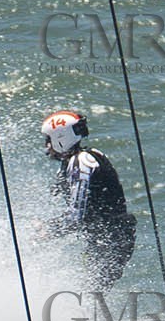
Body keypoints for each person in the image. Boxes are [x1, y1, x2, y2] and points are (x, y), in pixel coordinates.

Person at [41, 110, 137, 289]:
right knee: (90, 288)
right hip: (105, 238)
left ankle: (84, 316)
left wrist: (47, 232)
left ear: (61, 137)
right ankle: (91, 316)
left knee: (90, 290)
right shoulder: (77, 160)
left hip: (112, 239)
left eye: (48, 140)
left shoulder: (81, 161)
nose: (47, 147)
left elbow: (76, 216)